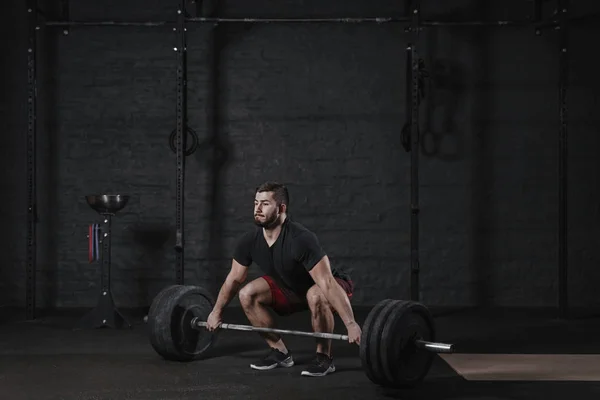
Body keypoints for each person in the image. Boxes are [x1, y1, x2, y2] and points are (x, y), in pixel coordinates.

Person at [206, 181, 361, 377]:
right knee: (247, 294)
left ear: (281, 208)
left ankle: (324, 358)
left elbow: (327, 283)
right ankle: (280, 353)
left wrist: (351, 324)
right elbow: (234, 280)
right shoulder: (249, 241)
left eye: (265, 204)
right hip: (291, 289)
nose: (258, 209)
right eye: (255, 203)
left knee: (316, 294)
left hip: (328, 288)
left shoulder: (300, 239)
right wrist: (216, 312)